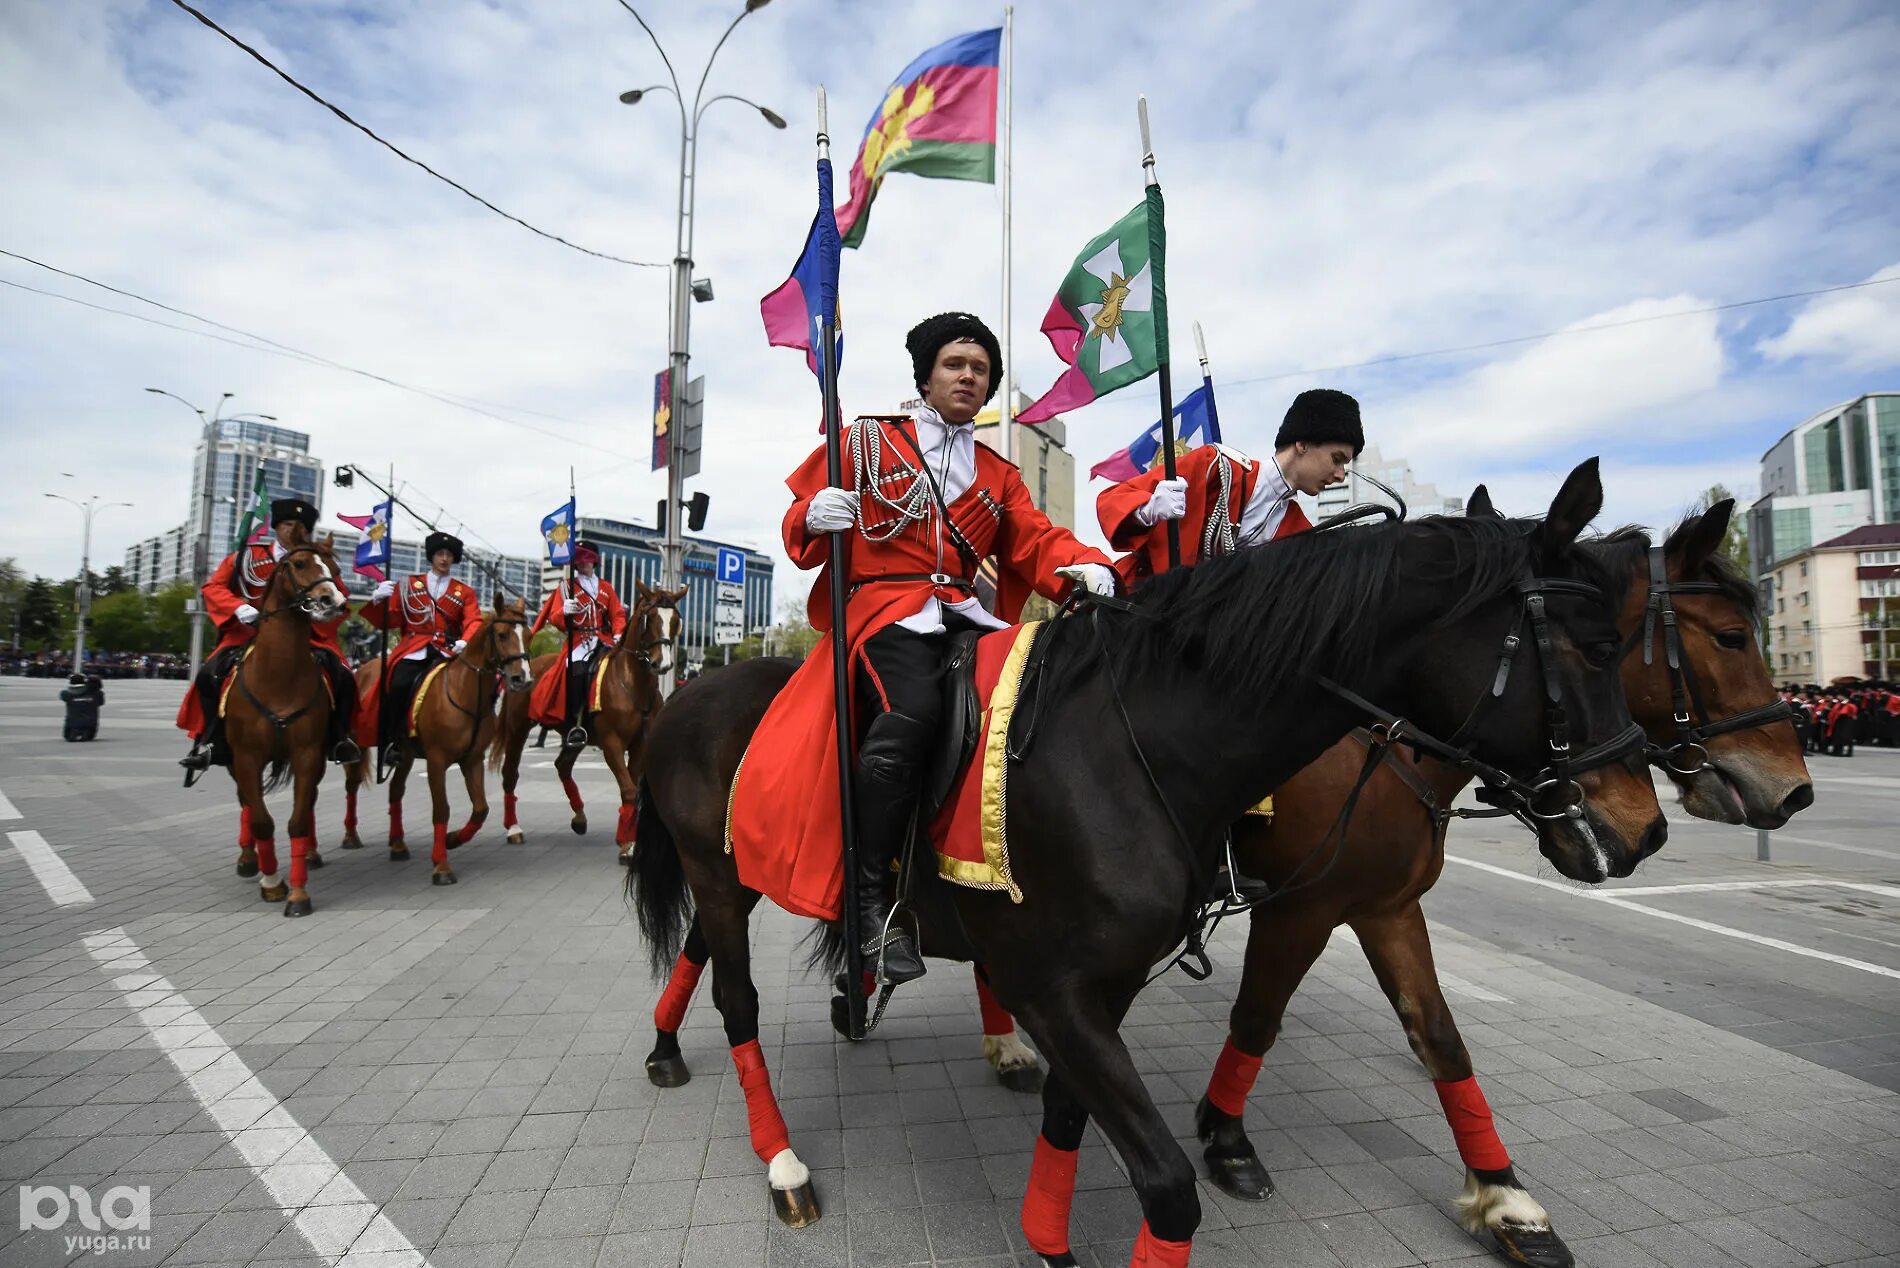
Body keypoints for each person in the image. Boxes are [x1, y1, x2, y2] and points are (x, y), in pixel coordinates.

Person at [737, 312, 1117, 986]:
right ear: (927, 375)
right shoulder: (867, 440)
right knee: (913, 710)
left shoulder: (997, 474)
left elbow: (1034, 541)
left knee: (1038, 700)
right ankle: (866, 899)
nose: (969, 376)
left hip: (964, 613)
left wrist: (1085, 567)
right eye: (955, 365)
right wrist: (812, 516)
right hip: (885, 610)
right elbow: (799, 514)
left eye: (980, 369)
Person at [1095, 388, 1364, 590]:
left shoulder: (1303, 535)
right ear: (1302, 443)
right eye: (1337, 459)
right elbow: (1112, 501)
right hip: (1134, 611)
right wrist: (1147, 511)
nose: (1341, 475)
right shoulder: (1214, 467)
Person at [177, 499, 359, 778]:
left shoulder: (316, 559)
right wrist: (238, 607)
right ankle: (213, 740)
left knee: (343, 676)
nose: (293, 531)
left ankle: (338, 739)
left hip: (304, 638)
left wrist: (333, 602)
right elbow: (213, 587)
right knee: (209, 674)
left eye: (301, 527)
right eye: (287, 525)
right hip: (246, 634)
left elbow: (337, 598)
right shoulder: (247, 556)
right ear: (275, 527)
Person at [364, 531, 484, 766]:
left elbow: (475, 620)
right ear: (431, 556)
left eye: (449, 554)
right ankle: (392, 740)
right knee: (397, 684)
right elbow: (390, 620)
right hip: (415, 646)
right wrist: (378, 600)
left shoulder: (464, 592)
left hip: (447, 649)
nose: (444, 558)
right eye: (440, 553)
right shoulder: (409, 585)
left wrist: (465, 641)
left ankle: (475, 735)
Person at [527, 540, 629, 746]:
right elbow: (553, 618)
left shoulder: (606, 588)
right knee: (573, 668)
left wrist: (619, 633)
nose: (584, 564)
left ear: (594, 562)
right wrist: (564, 611)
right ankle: (576, 720)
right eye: (580, 561)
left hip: (603, 638)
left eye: (588, 560)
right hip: (578, 641)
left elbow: (617, 614)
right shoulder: (566, 588)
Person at [60, 672, 103, 742]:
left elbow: (62, 696)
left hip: (71, 723)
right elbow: (101, 702)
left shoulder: (66, 694)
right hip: (90, 723)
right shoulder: (95, 694)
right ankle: (85, 732)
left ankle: (75, 731)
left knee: (67, 736)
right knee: (89, 733)